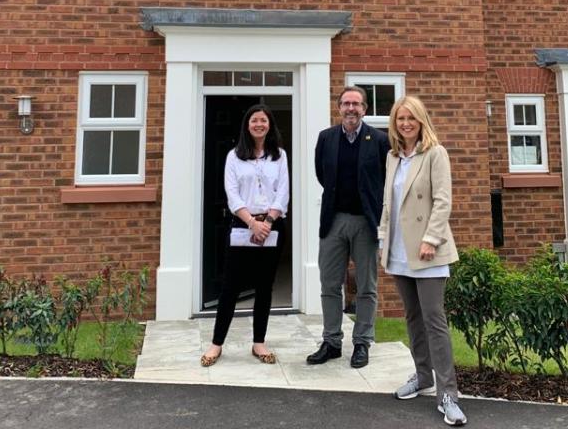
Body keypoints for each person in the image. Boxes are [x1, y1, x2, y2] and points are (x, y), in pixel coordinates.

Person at [378, 95, 467, 426]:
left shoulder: (435, 153)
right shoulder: (393, 157)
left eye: (411, 119)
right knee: (413, 317)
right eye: (400, 119)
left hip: (428, 250)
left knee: (434, 320)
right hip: (399, 250)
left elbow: (443, 201)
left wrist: (430, 239)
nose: (405, 124)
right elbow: (389, 203)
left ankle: (448, 394)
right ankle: (422, 376)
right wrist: (382, 239)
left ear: (421, 121)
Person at [307, 86, 390, 368]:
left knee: (366, 286)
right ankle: (331, 341)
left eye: (356, 104)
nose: (351, 108)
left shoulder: (379, 140)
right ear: (339, 108)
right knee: (329, 284)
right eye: (346, 103)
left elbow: (385, 179)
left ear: (364, 109)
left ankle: (362, 342)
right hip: (333, 220)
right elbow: (322, 174)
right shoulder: (326, 138)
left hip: (365, 222)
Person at [200, 104, 289, 367]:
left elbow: (283, 191)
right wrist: (252, 223)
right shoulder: (233, 157)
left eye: (263, 120)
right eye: (254, 120)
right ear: (247, 126)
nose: (259, 124)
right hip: (242, 226)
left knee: (264, 287)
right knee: (230, 287)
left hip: (272, 227)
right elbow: (232, 194)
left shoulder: (279, 156)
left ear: (269, 124)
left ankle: (259, 343)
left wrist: (268, 222)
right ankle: (216, 344)